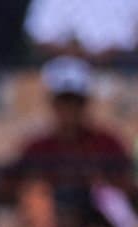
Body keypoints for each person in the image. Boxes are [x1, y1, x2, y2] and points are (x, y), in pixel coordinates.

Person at [13, 57, 132, 196]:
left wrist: (100, 183)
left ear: (85, 103)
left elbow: (126, 187)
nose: (69, 109)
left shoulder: (108, 143)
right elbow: (14, 187)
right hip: (53, 212)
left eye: (76, 102)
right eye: (64, 101)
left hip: (95, 213)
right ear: (53, 103)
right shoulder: (36, 147)